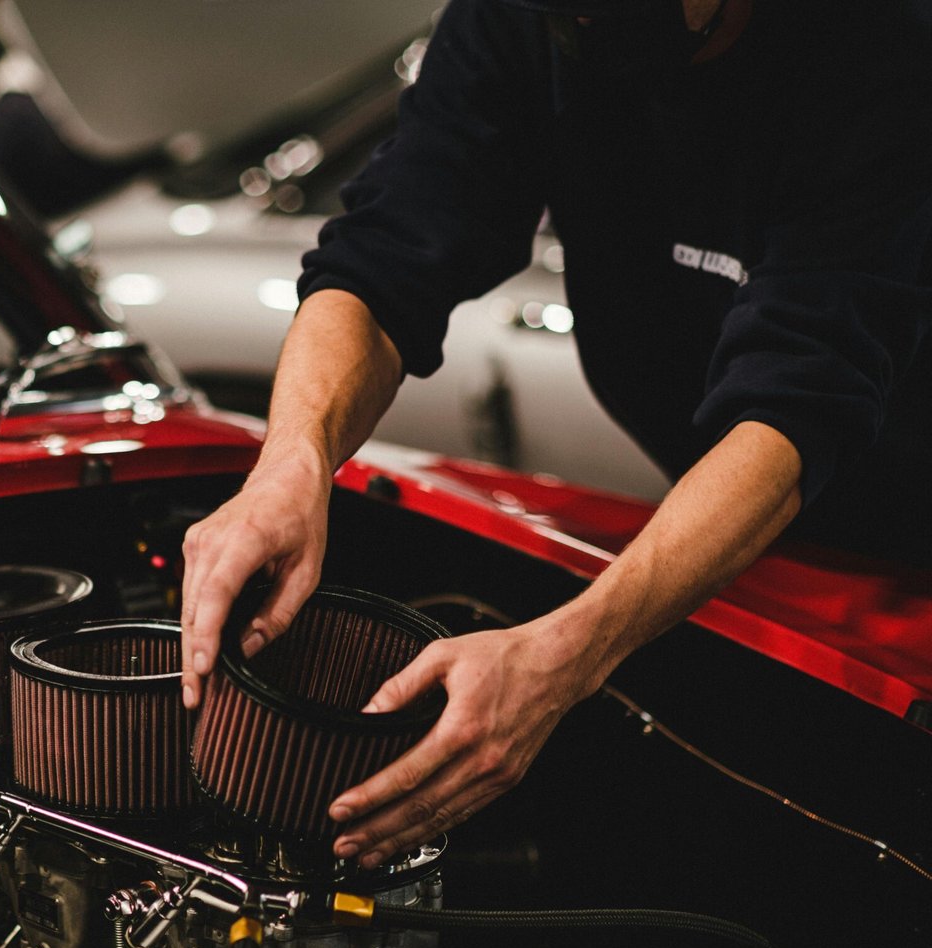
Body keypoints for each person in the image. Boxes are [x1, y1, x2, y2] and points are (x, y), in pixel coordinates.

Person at [179, 0, 932, 870]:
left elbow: (799, 395)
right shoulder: (522, 19)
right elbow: (384, 259)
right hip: (757, 537)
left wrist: (566, 658)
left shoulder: (880, 49)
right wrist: (291, 462)